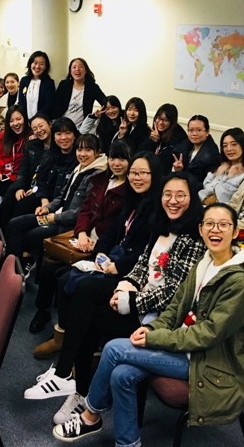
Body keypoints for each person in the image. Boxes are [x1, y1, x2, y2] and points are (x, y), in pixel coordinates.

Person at [52, 202, 244, 445]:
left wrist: (154, 338)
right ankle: (128, 443)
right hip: (188, 348)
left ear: (236, 231)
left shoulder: (239, 281)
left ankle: (90, 415)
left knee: (113, 349)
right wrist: (151, 328)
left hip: (211, 362)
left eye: (223, 225)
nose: (215, 230)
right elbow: (175, 308)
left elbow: (208, 334)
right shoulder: (206, 262)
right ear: (200, 229)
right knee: (121, 374)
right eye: (209, 224)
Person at [24, 171, 204, 425]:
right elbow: (142, 265)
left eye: (180, 195)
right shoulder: (162, 225)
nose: (173, 201)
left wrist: (130, 301)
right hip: (141, 298)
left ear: (192, 198)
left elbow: (175, 293)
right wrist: (125, 286)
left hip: (160, 318)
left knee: (89, 315)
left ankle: (74, 384)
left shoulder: (194, 238)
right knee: (84, 296)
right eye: (168, 194)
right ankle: (73, 384)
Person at [31, 140, 132, 359]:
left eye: (122, 159)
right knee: (48, 265)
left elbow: (117, 228)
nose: (116, 163)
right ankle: (43, 312)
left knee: (64, 278)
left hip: (104, 247)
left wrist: (98, 244)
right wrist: (83, 232)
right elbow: (84, 210)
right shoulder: (100, 180)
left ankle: (66, 335)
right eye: (113, 158)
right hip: (84, 237)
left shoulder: (130, 190)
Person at [6, 133, 108, 333]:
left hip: (66, 227)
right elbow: (62, 196)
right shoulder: (79, 168)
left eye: (88, 150)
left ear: (97, 152)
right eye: (80, 149)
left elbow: (80, 213)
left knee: (29, 237)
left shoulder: (96, 176)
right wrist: (48, 208)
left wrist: (54, 217)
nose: (82, 153)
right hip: (56, 216)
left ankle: (30, 296)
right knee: (16, 223)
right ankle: (11, 277)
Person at [0, 113, 51, 231]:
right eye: (35, 129)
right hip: (27, 183)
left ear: (50, 124)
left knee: (22, 205)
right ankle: (1, 234)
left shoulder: (57, 148)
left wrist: (36, 189)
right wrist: (19, 187)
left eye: (41, 126)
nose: (39, 130)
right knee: (8, 198)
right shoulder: (32, 145)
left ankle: (12, 234)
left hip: (42, 188)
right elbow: (23, 168)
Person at [199, 127, 244, 205]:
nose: (229, 149)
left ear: (243, 146)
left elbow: (223, 197)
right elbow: (201, 192)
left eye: (234, 144)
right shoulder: (219, 168)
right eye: (225, 146)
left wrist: (229, 177)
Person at [171, 114, 220, 192]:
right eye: (191, 130)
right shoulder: (184, 147)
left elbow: (202, 183)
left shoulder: (212, 155)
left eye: (199, 130)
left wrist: (181, 173)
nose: (194, 134)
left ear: (207, 132)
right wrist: (177, 170)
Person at [53, 58, 106, 127]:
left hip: (81, 127)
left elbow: (105, 103)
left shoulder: (92, 87)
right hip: (62, 126)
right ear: (70, 71)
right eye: (74, 67)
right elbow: (55, 105)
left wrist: (96, 116)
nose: (77, 69)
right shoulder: (64, 85)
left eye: (80, 67)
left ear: (86, 70)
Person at [138, 103, 186, 171]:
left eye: (165, 120)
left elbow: (162, 164)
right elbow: (139, 155)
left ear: (172, 122)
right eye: (159, 118)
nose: (160, 123)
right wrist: (151, 141)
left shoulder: (177, 138)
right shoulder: (154, 133)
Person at [19, 50, 56, 119]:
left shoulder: (49, 83)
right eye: (35, 63)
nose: (37, 66)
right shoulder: (24, 81)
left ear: (45, 66)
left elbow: (48, 106)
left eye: (41, 64)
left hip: (41, 121)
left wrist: (35, 120)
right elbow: (21, 103)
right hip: (25, 121)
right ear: (30, 64)